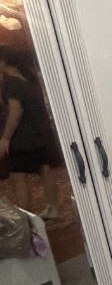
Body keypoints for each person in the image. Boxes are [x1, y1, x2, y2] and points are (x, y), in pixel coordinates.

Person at [0, 45, 62, 220]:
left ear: (4, 62)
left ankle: (26, 218)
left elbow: (15, 111)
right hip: (40, 133)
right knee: (45, 169)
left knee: (18, 177)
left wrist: (5, 138)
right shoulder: (29, 78)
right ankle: (52, 208)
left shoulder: (11, 83)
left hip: (22, 138)